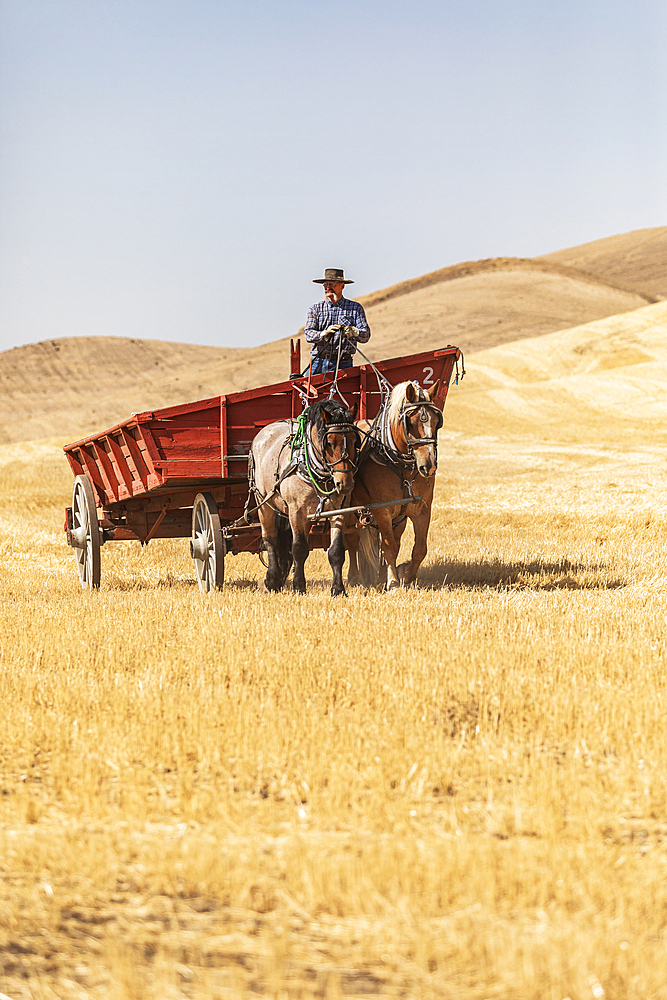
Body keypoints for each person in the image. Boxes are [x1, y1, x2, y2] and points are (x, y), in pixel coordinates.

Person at [304, 268, 371, 374]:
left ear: (342, 286)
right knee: (303, 390)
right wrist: (323, 333)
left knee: (345, 391)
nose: (328, 288)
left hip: (343, 364)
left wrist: (354, 332)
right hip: (318, 362)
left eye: (331, 284)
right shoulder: (315, 309)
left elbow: (366, 335)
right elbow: (308, 334)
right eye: (325, 285)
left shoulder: (355, 308)